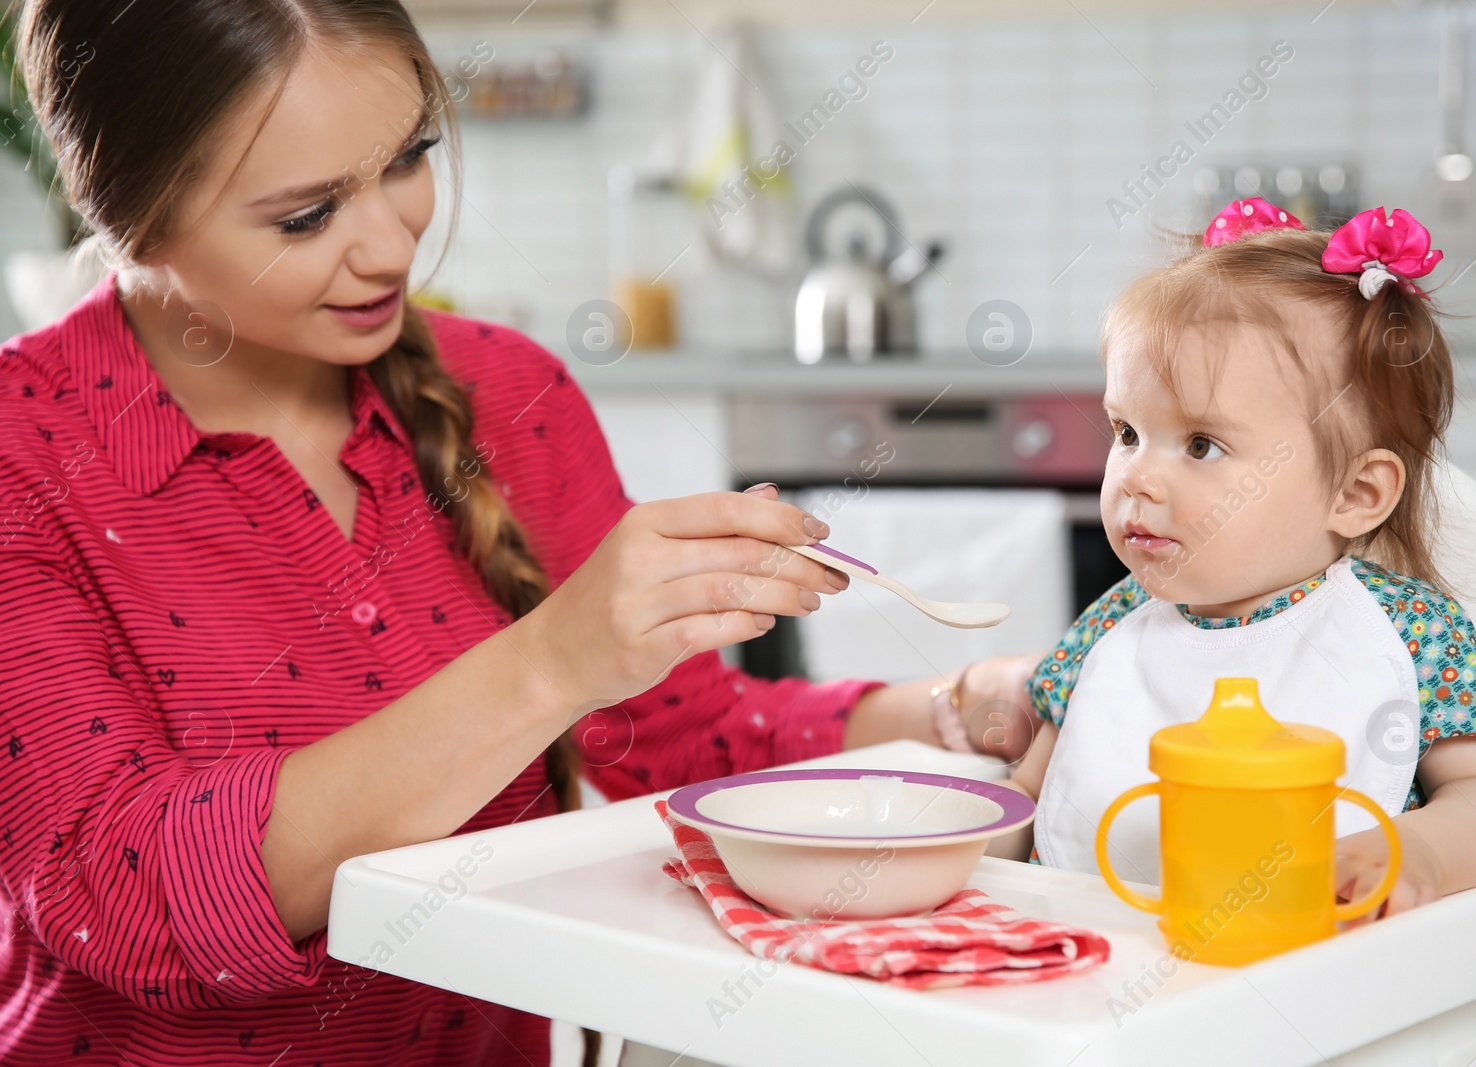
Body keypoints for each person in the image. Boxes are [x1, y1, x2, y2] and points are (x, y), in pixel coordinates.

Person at [0, 2, 1037, 1063]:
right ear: (125, 208)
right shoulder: (24, 455)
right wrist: (551, 660)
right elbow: (115, 893)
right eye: (307, 216)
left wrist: (965, 711)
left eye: (409, 157)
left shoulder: (510, 393)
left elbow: (681, 735)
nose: (392, 239)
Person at [999, 199, 1476, 920]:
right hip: (1086, 968)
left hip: (1318, 984)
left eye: (1201, 444)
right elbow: (1025, 801)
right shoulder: (1112, 626)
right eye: (1127, 431)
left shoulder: (1409, 633)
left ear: (1357, 492)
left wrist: (1416, 851)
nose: (1134, 476)